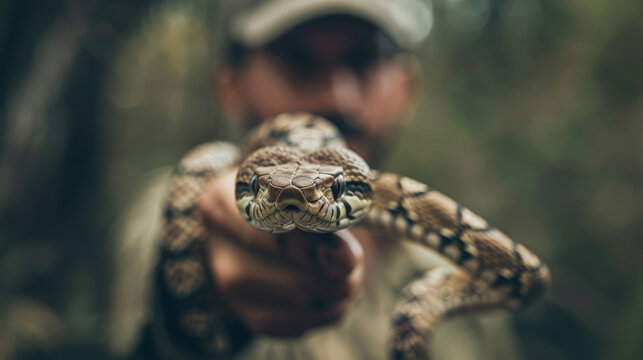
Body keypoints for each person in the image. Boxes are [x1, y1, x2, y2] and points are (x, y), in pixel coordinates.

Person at [109, 1, 523, 359]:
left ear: (406, 88)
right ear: (230, 86)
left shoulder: (465, 275)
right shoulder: (179, 202)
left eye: (364, 59)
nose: (336, 98)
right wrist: (202, 301)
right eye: (298, 62)